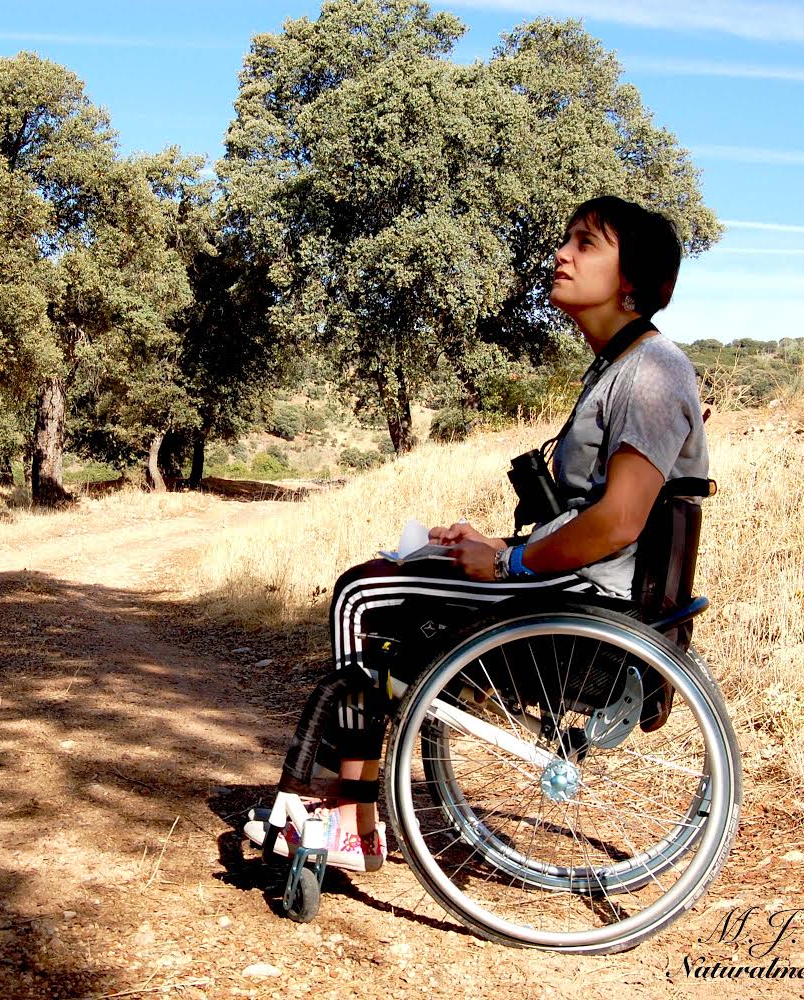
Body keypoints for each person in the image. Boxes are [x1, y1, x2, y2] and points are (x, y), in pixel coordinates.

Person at [244, 195, 710, 873]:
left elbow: (617, 521)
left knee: (359, 597)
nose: (562, 254)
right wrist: (495, 546)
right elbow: (587, 514)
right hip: (575, 585)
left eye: (586, 243)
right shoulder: (620, 366)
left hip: (588, 605)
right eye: (566, 239)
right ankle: (352, 807)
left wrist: (509, 563)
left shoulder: (652, 373)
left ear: (631, 280)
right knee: (393, 573)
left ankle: (349, 820)